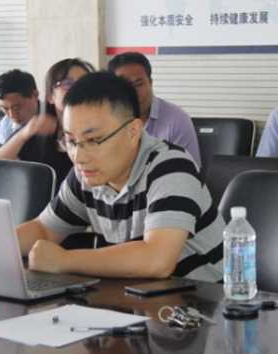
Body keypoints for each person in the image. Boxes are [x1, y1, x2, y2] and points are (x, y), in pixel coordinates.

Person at [16, 72, 224, 281]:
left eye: (94, 140)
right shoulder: (85, 174)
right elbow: (43, 229)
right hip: (138, 293)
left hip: (202, 297)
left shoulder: (171, 166)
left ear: (133, 131)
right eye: (70, 141)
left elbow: (157, 259)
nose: (79, 156)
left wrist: (64, 260)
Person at [0, 58, 94, 186]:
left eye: (84, 82)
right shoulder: (39, 128)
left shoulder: (104, 129)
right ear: (50, 96)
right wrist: (24, 134)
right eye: (67, 84)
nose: (78, 88)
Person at [108, 52, 201, 166]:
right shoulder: (107, 122)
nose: (134, 93)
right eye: (125, 87)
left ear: (150, 83)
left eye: (139, 84)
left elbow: (188, 170)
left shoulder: (177, 120)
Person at [0, 69, 39, 144]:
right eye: (5, 108)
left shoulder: (54, 118)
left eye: (17, 107)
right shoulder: (6, 123)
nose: (12, 115)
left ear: (35, 95)